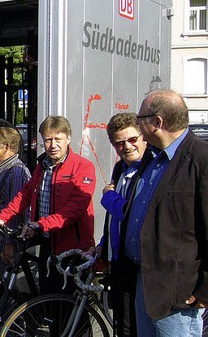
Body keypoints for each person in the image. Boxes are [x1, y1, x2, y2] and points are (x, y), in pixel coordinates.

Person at [123, 90, 206, 336]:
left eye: (140, 118)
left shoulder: (201, 159)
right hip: (145, 281)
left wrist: (204, 289)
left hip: (178, 293)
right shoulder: (152, 158)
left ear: (157, 122)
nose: (136, 124)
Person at [0, 115, 96, 293]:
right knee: (47, 296)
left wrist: (41, 224)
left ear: (68, 139)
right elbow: (25, 194)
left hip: (73, 246)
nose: (53, 145)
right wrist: (3, 217)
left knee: (69, 306)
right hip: (48, 242)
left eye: (58, 139)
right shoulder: (43, 166)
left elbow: (75, 209)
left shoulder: (83, 167)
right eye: (48, 140)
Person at [94, 112, 146, 336]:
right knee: (121, 325)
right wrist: (104, 245)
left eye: (132, 139)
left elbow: (132, 212)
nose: (127, 147)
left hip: (138, 264)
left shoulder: (148, 170)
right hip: (118, 261)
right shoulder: (120, 168)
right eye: (119, 143)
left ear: (143, 137)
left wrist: (108, 198)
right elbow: (115, 221)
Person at [0, 127, 30, 280]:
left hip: (1, 240)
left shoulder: (15, 173)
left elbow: (14, 213)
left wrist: (9, 245)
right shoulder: (5, 170)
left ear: (6, 147)